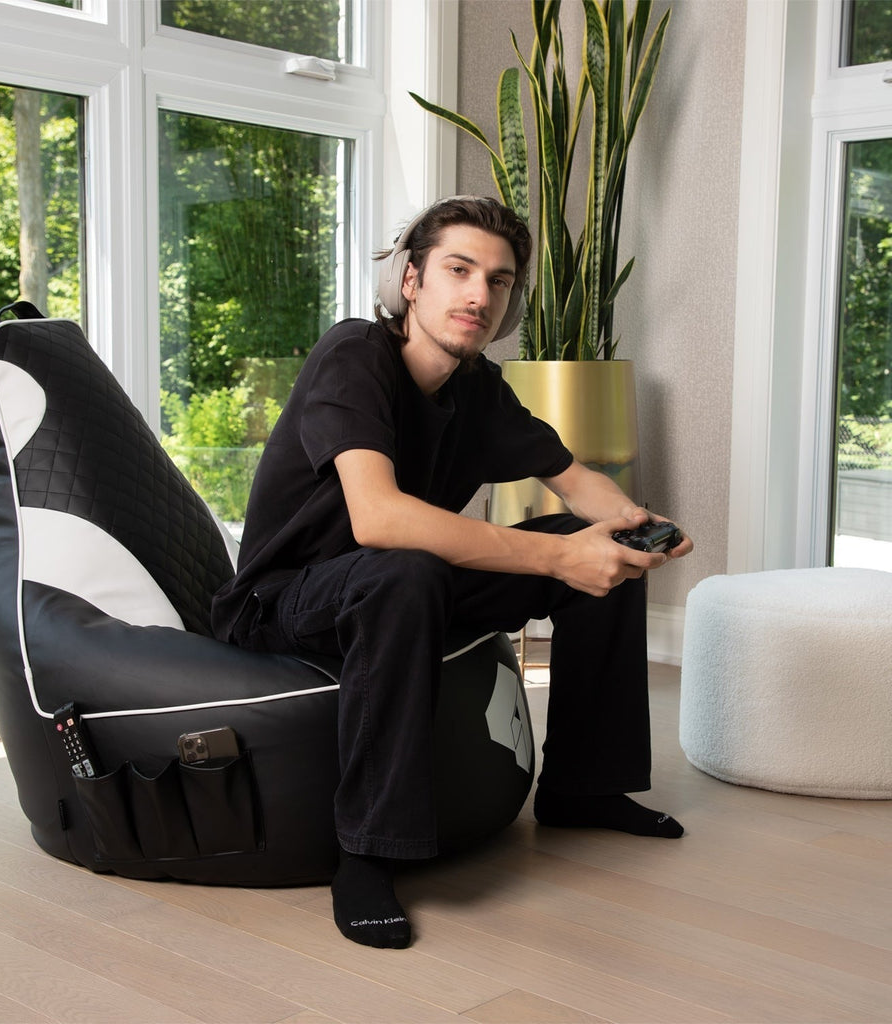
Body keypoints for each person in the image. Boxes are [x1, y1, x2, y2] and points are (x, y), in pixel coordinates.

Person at [210, 195, 693, 950]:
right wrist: (558, 554)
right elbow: (379, 519)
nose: (479, 294)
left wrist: (633, 528)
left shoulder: (477, 389)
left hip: (406, 585)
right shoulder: (354, 357)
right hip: (286, 599)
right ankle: (367, 853)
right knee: (416, 569)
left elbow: (572, 480)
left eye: (498, 282)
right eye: (459, 270)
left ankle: (586, 787)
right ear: (412, 280)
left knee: (592, 545)